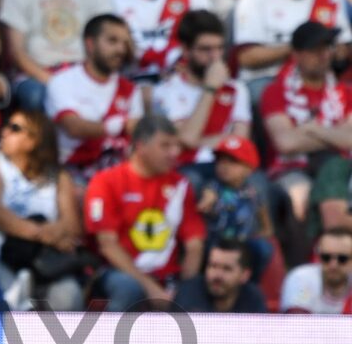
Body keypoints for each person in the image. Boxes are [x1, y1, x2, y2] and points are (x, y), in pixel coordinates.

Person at [85, 114, 206, 312]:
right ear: (140, 146)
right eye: (165, 146)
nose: (174, 153)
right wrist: (150, 287)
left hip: (169, 278)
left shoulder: (180, 185)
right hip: (119, 273)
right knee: (128, 288)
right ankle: (108, 342)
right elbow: (108, 245)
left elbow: (194, 245)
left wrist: (185, 288)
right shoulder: (105, 182)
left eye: (176, 146)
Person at [0, 108, 85, 311]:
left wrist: (52, 234)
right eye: (6, 126)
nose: (4, 132)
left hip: (41, 264)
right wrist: (42, 233)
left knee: (69, 296)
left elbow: (72, 227)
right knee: (7, 298)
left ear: (35, 139)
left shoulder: (59, 177)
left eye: (14, 128)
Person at [0, 0, 111, 111]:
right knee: (35, 96)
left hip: (83, 74)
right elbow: (17, 52)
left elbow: (104, 44)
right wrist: (56, 83)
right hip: (35, 75)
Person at [260, 21, 352, 222]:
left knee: (336, 176)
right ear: (296, 55)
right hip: (291, 168)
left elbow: (350, 140)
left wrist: (312, 129)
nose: (323, 55)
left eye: (327, 48)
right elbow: (286, 143)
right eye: (314, 50)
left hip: (340, 165)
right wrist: (334, 134)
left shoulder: (345, 92)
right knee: (299, 196)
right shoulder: (275, 92)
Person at [234, 0, 351, 98]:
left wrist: (331, 51)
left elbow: (344, 46)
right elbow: (246, 58)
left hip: (318, 79)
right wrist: (300, 47)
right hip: (268, 77)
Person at [45, 13, 143, 186]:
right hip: (73, 172)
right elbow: (73, 127)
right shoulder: (63, 81)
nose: (121, 49)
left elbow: (136, 141)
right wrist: (121, 125)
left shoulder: (130, 89)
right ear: (90, 44)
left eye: (125, 43)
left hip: (118, 173)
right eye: (112, 41)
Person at [152, 9, 252, 168]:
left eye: (220, 48)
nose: (215, 57)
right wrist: (210, 89)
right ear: (185, 50)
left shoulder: (236, 89)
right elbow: (187, 138)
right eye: (206, 49)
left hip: (226, 170)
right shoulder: (165, 92)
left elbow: (238, 143)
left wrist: (198, 141)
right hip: (185, 169)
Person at [196, 135, 274, 281]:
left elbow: (262, 213)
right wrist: (207, 202)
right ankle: (205, 280)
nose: (224, 166)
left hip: (242, 243)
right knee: (204, 249)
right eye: (220, 160)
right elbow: (208, 197)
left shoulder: (253, 192)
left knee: (264, 248)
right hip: (217, 242)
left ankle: (249, 283)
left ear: (249, 168)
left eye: (233, 162)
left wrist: (265, 231)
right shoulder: (213, 187)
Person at [173, 239, 268, 313]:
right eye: (213, 266)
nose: (217, 275)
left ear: (245, 275)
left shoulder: (253, 298)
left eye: (227, 269)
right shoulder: (188, 292)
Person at [280, 227, 352, 313]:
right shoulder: (302, 278)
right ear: (318, 256)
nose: (333, 265)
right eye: (326, 257)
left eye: (342, 259)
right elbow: (297, 323)